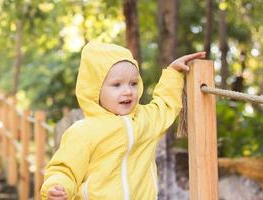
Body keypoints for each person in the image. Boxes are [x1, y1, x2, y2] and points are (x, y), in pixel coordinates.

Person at [40, 41, 205, 200]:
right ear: (95, 90)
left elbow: (165, 103)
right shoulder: (84, 131)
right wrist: (57, 187)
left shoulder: (145, 120)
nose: (127, 91)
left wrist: (173, 73)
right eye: (117, 85)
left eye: (133, 83)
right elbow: (64, 169)